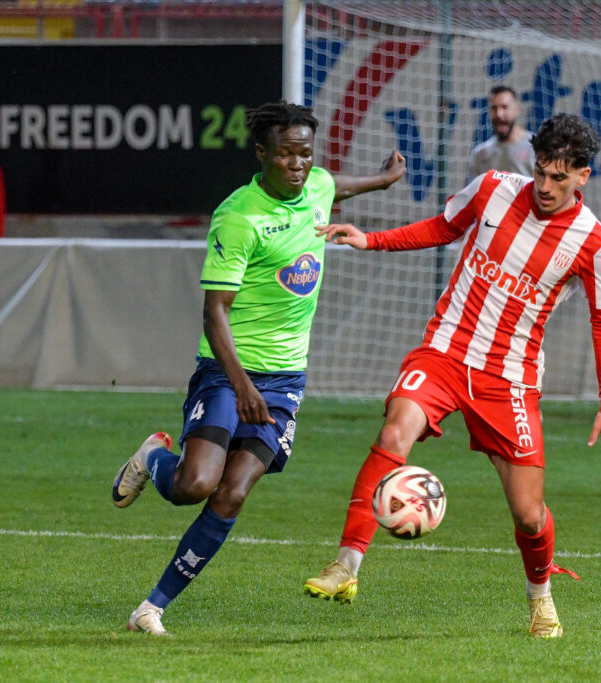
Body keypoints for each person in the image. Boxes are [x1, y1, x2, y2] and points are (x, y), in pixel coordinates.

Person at [303, 113, 601, 639]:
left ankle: (540, 597)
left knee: (528, 514)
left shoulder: (593, 243)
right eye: (540, 171)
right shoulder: (493, 187)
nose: (545, 186)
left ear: (582, 176)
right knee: (395, 430)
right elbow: (442, 227)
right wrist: (372, 240)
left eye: (559, 177)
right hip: (445, 352)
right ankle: (345, 565)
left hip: (510, 379)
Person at [111, 100, 406, 636]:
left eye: (306, 154)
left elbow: (333, 186)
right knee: (195, 484)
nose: (299, 165)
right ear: (262, 154)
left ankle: (150, 608)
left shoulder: (316, 184)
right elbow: (213, 314)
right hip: (228, 372)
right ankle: (153, 458)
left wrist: (382, 180)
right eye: (287, 154)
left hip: (286, 379)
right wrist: (243, 385)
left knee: (233, 491)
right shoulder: (239, 217)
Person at [468, 86, 535, 180]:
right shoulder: (480, 154)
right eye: (494, 108)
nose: (499, 114)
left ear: (517, 110)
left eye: (504, 107)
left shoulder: (537, 148)